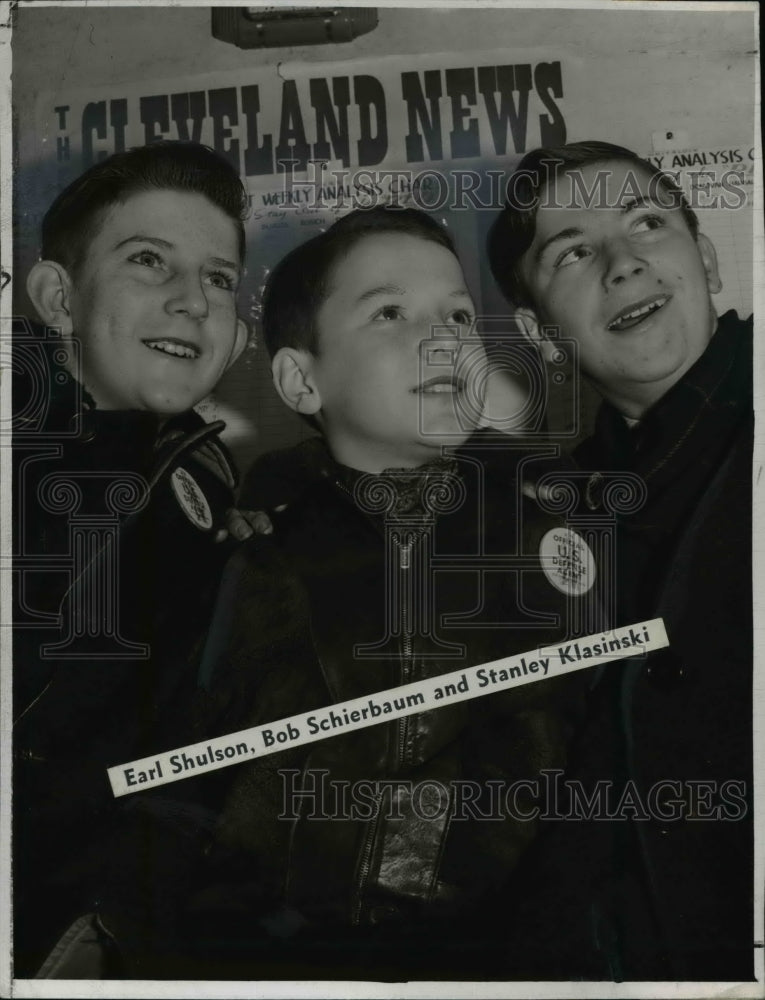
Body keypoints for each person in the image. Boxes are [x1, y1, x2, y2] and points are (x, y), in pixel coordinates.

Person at [110, 205, 610, 980]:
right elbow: (176, 802)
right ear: (301, 379)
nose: (443, 337)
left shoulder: (564, 520)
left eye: (455, 315)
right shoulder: (249, 559)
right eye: (388, 312)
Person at [486, 140, 754, 980]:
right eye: (572, 251)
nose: (624, 262)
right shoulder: (542, 508)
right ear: (538, 332)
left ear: (704, 257)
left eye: (646, 222)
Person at [12, 140, 257, 976]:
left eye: (218, 278)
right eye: (148, 260)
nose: (192, 301)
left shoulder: (201, 468)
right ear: (56, 296)